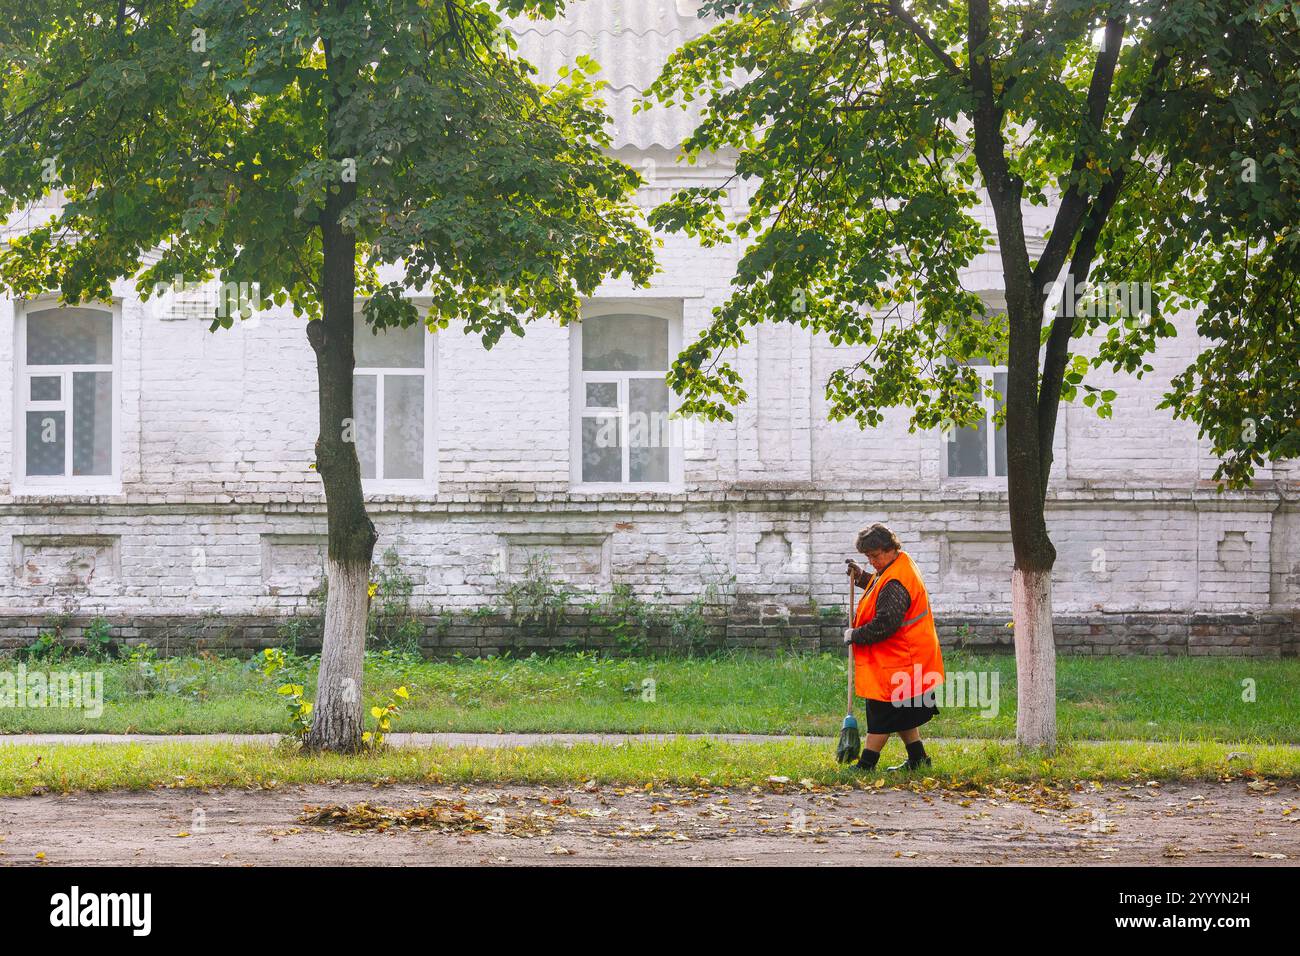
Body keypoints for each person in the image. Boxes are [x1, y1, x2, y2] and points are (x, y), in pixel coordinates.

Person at [843, 523, 945, 771]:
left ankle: (866, 765)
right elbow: (881, 588)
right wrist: (863, 578)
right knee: (903, 712)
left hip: (901, 660)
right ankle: (918, 759)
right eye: (868, 557)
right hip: (907, 656)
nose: (873, 561)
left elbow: (885, 624)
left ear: (890, 548)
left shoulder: (896, 581)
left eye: (875, 556)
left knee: (883, 714)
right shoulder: (898, 565)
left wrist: (855, 635)